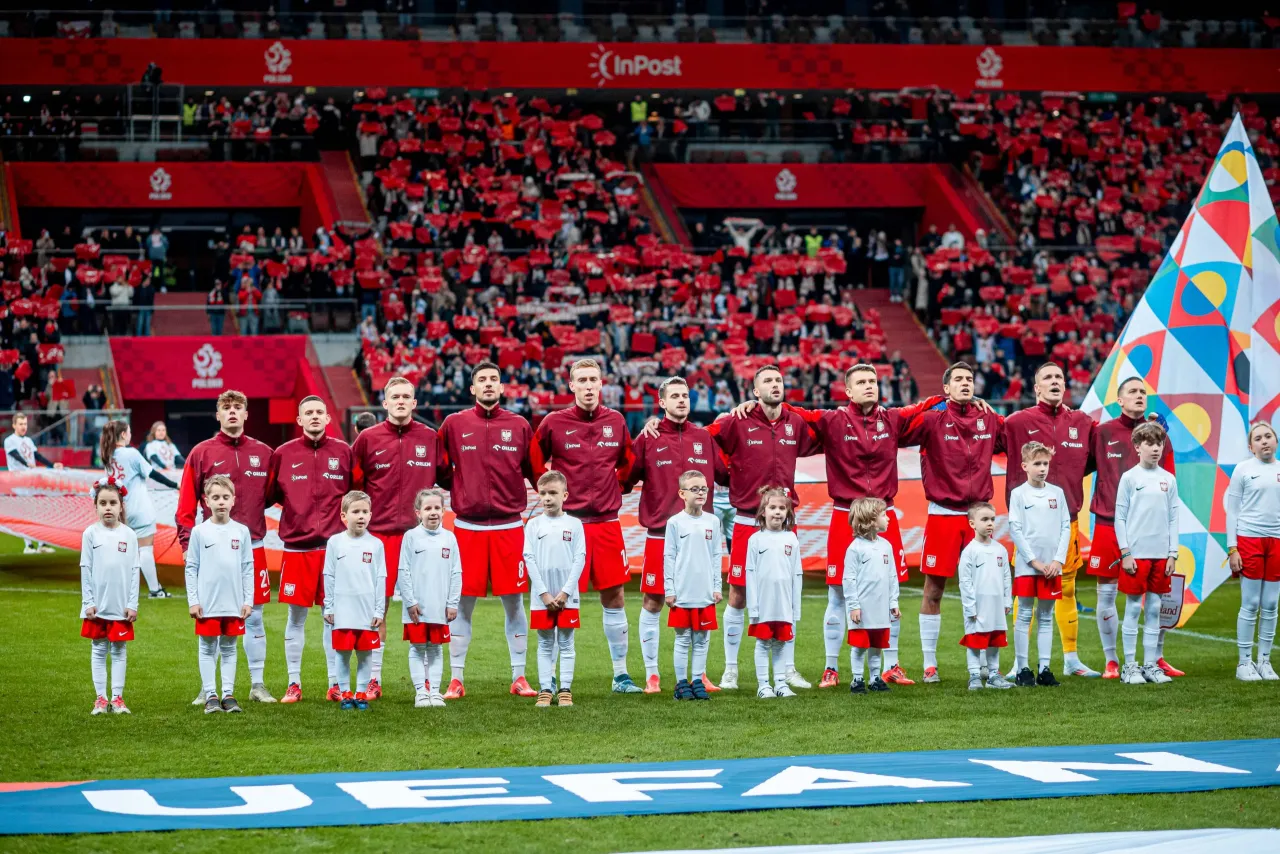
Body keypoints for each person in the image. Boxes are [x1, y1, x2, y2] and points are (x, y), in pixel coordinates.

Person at [733, 364, 940, 687]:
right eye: (861, 382)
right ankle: (831, 668)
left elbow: (924, 407)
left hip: (885, 517)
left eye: (873, 381)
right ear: (848, 390)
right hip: (845, 514)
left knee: (889, 592)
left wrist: (949, 394)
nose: (869, 386)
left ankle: (892, 664)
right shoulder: (832, 420)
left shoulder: (893, 419)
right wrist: (753, 406)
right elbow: (791, 409)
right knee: (838, 595)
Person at [529, 358, 641, 694]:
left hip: (606, 522)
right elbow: (536, 459)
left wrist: (617, 487)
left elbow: (628, 462)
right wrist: (548, 492)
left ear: (601, 384)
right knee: (556, 597)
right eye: (583, 380)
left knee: (615, 595)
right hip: (567, 524)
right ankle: (551, 680)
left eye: (594, 379)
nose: (589, 385)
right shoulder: (554, 422)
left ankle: (620, 674)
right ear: (572, 385)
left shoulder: (616, 421)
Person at [704, 365, 818, 691]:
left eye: (779, 380)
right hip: (745, 522)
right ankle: (730, 669)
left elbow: (826, 437)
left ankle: (789, 668)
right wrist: (723, 475)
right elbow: (702, 437)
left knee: (786, 592)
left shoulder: (795, 422)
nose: (775, 385)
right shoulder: (736, 421)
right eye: (767, 381)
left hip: (785, 523)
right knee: (738, 594)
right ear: (755, 391)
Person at [437, 362, 537, 699]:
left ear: (502, 386)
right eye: (482, 379)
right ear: (472, 389)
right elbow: (439, 469)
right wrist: (466, 490)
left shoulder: (520, 425)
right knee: (462, 604)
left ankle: (519, 677)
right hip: (468, 528)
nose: (489, 384)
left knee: (514, 604)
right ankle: (456, 679)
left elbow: (535, 471)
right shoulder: (454, 424)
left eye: (494, 378)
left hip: (510, 527)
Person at [900, 362, 1005, 683]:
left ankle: (988, 666)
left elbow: (1018, 437)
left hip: (980, 515)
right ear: (946, 388)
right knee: (934, 590)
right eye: (957, 379)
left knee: (989, 593)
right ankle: (930, 664)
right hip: (944, 516)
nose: (964, 383)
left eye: (969, 379)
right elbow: (897, 431)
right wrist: (930, 403)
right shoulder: (932, 420)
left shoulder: (989, 419)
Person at [624, 376, 726, 693]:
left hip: (701, 536)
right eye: (675, 396)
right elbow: (625, 476)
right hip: (660, 535)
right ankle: (653, 674)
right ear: (663, 403)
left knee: (702, 605)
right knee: (653, 601)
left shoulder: (703, 438)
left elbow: (727, 473)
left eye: (686, 396)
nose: (682, 400)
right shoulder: (648, 438)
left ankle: (700, 675)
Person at [1001, 362, 1099, 678]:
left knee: (1066, 590)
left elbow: (1098, 458)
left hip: (1065, 522)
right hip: (1027, 524)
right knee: (1025, 592)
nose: (1055, 381)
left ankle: (1070, 659)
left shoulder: (1083, 423)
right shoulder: (1016, 422)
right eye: (1048, 377)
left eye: (1059, 377)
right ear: (1036, 387)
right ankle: (1020, 662)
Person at [176, 390, 275, 704]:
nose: (232, 412)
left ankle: (257, 685)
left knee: (254, 616)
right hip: (211, 550)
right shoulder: (201, 452)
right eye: (226, 408)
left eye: (238, 408)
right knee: (212, 615)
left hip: (253, 544)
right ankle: (209, 688)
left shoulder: (265, 453)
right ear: (217, 415)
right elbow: (185, 505)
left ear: (246, 414)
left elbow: (273, 495)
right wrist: (186, 544)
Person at [351, 376, 440, 699]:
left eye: (406, 396)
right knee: (378, 607)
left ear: (414, 403)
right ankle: (374, 679)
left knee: (427, 607)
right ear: (384, 403)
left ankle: (427, 681)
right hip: (380, 537)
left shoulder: (430, 438)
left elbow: (444, 478)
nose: (401, 401)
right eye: (395, 397)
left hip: (421, 538)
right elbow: (354, 488)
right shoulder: (367, 439)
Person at [1087, 377, 1179, 679]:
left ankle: (1156, 659)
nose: (1140, 396)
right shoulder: (1101, 433)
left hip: (1149, 532)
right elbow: (1077, 466)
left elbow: (1168, 486)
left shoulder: (1159, 436)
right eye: (1133, 392)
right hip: (1107, 523)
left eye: (1143, 392)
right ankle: (1112, 660)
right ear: (1119, 399)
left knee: (1154, 598)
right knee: (1107, 596)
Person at [267, 396, 352, 704]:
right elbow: (271, 494)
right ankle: (293, 683)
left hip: (334, 551)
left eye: (319, 412)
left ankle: (334, 684)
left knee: (333, 617)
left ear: (328, 418)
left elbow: (356, 495)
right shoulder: (283, 454)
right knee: (296, 617)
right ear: (299, 419)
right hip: (297, 549)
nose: (315, 417)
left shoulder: (344, 452)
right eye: (308, 413)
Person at [1113, 422, 1179, 686]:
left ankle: (1150, 665)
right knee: (1132, 609)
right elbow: (1119, 517)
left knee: (1154, 608)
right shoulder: (1130, 478)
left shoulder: (1169, 479)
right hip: (1136, 555)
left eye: (1159, 444)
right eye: (1149, 444)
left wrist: (1172, 553)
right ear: (1137, 447)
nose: (1155, 448)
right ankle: (1130, 667)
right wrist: (1125, 552)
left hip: (1161, 555)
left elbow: (1174, 518)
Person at [184, 475, 253, 715]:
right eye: (215, 497)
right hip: (208, 603)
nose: (221, 501)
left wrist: (248, 600)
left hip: (233, 603)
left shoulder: (242, 531)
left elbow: (247, 567)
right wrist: (193, 600)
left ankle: (228, 694)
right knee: (206, 647)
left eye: (225, 497)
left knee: (230, 648)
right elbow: (191, 567)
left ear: (233, 500)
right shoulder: (199, 532)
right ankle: (210, 694)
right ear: (206, 501)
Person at [1007, 441, 1070, 688]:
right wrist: (1033, 560)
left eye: (1045, 463)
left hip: (1052, 567)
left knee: (1046, 616)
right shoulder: (1018, 494)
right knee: (1024, 614)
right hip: (1028, 566)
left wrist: (1057, 560)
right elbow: (1016, 529)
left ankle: (1044, 668)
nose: (1042, 468)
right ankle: (1023, 668)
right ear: (1025, 466)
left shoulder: (1057, 493)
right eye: (1037, 464)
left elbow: (1065, 526)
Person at [523, 471, 586, 708]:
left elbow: (579, 558)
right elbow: (529, 558)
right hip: (543, 597)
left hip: (567, 596)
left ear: (565, 495)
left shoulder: (575, 524)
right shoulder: (534, 525)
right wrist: (544, 593)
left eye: (552, 493)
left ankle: (565, 689)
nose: (547, 498)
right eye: (543, 493)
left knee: (567, 643)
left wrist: (566, 592)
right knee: (545, 643)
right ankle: (545, 690)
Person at [100, 419, 181, 599]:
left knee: (121, 551)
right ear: (123, 434)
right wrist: (175, 485)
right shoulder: (131, 453)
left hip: (120, 510)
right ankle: (155, 590)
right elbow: (152, 473)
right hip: (139, 508)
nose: (130, 435)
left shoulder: (107, 454)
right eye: (128, 432)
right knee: (145, 550)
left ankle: (115, 589)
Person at [322, 491, 386, 711]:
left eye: (365, 512)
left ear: (370, 515)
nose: (361, 516)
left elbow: (381, 578)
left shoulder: (376, 544)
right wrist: (329, 605)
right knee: (342, 653)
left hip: (366, 610)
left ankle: (360, 693)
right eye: (356, 511)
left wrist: (379, 610)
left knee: (365, 654)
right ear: (343, 516)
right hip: (342, 609)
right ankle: (345, 693)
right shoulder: (335, 542)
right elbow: (328, 574)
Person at [80, 481, 139, 715]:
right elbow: (85, 567)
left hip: (121, 606)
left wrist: (132, 603)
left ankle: (117, 698)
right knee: (98, 649)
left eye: (113, 503)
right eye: (102, 503)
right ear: (95, 506)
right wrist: (88, 602)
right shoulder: (90, 533)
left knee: (119, 651)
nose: (108, 507)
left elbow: (135, 571)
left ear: (121, 506)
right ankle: (101, 699)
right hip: (97, 606)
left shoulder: (130, 535)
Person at [398, 488, 461, 708]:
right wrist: (410, 602)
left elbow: (456, 572)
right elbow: (403, 570)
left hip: (440, 607)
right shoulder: (410, 537)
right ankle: (420, 693)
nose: (433, 512)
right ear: (418, 512)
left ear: (444, 511)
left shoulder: (450, 538)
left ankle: (434, 692)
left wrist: (452, 603)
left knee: (435, 649)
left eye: (437, 508)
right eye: (428, 508)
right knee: (417, 648)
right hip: (417, 607)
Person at [664, 471, 723, 702]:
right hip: (683, 591)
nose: (700, 493)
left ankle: (697, 680)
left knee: (702, 639)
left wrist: (717, 586)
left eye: (704, 488)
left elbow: (717, 555)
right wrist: (670, 589)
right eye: (695, 489)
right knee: (682, 639)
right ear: (682, 493)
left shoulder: (713, 521)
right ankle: (681, 684)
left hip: (705, 591)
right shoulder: (675, 523)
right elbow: (669, 556)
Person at [1228, 422, 1280, 681]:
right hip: (1249, 540)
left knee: (1271, 604)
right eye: (1258, 438)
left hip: (1277, 542)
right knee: (1250, 604)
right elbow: (1232, 511)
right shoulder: (1243, 470)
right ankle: (1244, 663)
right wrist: (1232, 548)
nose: (1264, 441)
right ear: (1251, 447)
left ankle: (1265, 661)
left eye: (1268, 436)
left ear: (1276, 441)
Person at [746, 486, 803, 699]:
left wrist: (795, 606)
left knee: (780, 643)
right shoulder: (756, 540)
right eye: (772, 507)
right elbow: (750, 574)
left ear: (788, 513)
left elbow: (797, 574)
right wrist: (754, 606)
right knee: (763, 643)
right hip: (763, 604)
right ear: (763, 511)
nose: (777, 512)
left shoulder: (791, 539)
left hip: (784, 604)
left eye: (782, 508)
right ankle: (763, 685)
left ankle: (780, 683)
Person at [843, 497, 901, 695]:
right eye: (884, 515)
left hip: (881, 608)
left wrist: (893, 601)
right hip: (862, 608)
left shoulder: (886, 546)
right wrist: (853, 606)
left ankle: (875, 678)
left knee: (877, 645)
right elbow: (848, 579)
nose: (888, 518)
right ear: (870, 519)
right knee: (860, 646)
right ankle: (857, 679)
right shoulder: (855, 548)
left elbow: (892, 576)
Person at [957, 502, 1013, 691]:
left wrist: (1007, 600)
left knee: (994, 640)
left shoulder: (1000, 550)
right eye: (985, 520)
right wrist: (970, 606)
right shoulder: (969, 552)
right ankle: (974, 675)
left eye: (992, 519)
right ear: (972, 524)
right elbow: (965, 582)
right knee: (974, 641)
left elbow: (1006, 577)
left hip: (996, 605)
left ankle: (993, 675)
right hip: (977, 607)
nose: (990, 524)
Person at [5, 411, 63, 554]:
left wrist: (51, 465)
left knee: (38, 511)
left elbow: (37, 456)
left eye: (25, 424)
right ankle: (29, 545)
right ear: (14, 425)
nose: (23, 427)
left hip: (31, 480)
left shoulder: (29, 441)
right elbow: (15, 455)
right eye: (20, 424)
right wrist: (27, 464)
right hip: (18, 481)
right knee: (25, 513)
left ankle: (41, 544)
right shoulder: (9, 440)